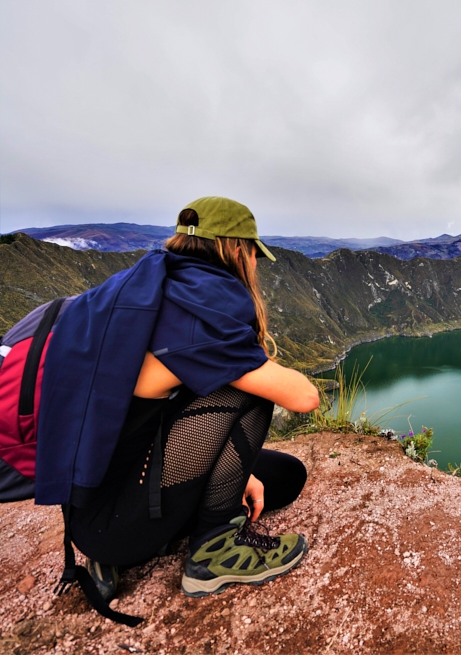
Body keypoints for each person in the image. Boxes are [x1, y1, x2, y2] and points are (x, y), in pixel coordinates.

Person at [36, 196, 319, 601]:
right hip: (113, 520)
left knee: (285, 477)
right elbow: (304, 396)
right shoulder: (200, 317)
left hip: (102, 496)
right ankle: (213, 552)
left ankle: (166, 532)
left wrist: (239, 475)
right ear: (236, 249)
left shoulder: (154, 289)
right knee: (249, 388)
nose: (255, 264)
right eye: (254, 253)